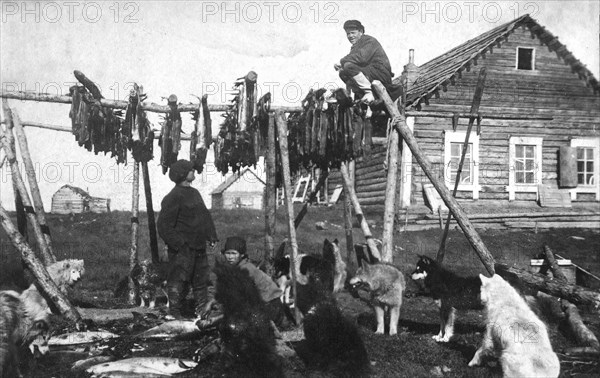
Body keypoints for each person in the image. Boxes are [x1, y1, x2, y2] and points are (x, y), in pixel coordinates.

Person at [157, 159, 218, 319]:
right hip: (182, 249)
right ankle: (175, 313)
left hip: (198, 247)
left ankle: (202, 313)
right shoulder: (173, 196)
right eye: (191, 170)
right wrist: (179, 244)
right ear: (183, 174)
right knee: (178, 280)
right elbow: (164, 225)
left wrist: (211, 235)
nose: (194, 172)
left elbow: (205, 216)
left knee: (200, 281)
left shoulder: (195, 193)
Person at [211, 236, 287, 328]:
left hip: (270, 305)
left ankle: (272, 326)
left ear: (242, 255)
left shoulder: (246, 268)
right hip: (267, 304)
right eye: (228, 253)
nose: (230, 257)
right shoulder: (238, 266)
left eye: (234, 253)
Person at [334, 19, 394, 105]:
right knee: (343, 72)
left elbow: (362, 58)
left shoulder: (369, 41)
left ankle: (369, 92)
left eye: (353, 33)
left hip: (381, 74)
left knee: (348, 66)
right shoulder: (356, 46)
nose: (350, 36)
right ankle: (359, 94)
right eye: (348, 33)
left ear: (361, 32)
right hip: (370, 73)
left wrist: (342, 61)